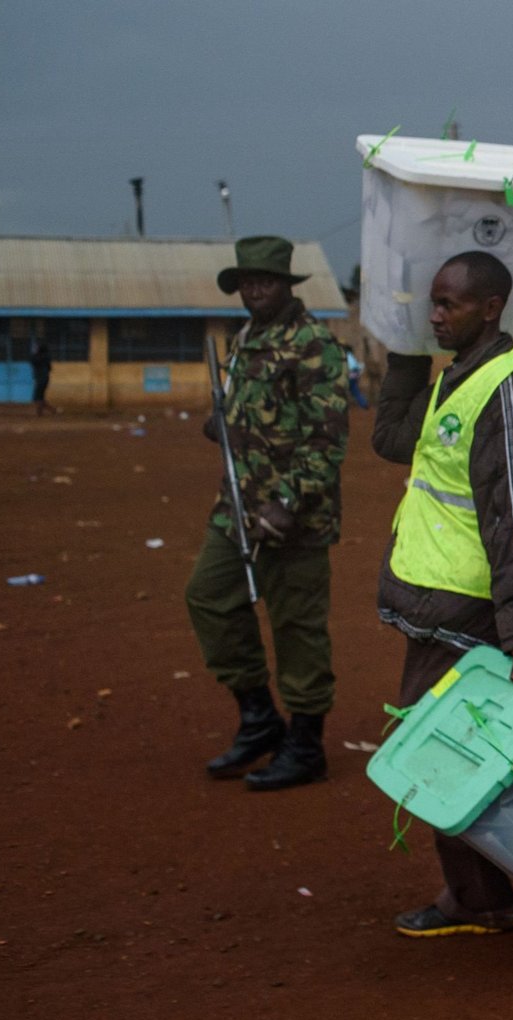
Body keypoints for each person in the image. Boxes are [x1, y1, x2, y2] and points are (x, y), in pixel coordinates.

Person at [374, 250, 513, 938]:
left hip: (466, 611)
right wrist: (404, 357)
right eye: (432, 302)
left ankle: (485, 897)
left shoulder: (506, 391)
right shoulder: (458, 379)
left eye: (448, 304)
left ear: (491, 308)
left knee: (435, 757)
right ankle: (488, 892)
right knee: (448, 752)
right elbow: (393, 439)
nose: (436, 314)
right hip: (429, 603)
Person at [185, 235, 349, 791]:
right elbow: (241, 413)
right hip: (236, 507)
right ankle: (258, 718)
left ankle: (305, 746)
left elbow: (327, 441)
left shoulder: (314, 345)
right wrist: (222, 422)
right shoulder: (245, 339)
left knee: (296, 628)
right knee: (209, 596)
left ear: (285, 284)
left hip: (293, 517)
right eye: (246, 282)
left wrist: (286, 504)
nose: (254, 290)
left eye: (264, 281)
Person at [28, 334, 52, 416]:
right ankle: (50, 410)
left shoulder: (37, 357)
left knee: (37, 397)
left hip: (41, 378)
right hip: (45, 378)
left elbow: (32, 360)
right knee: (40, 396)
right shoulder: (46, 357)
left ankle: (43, 412)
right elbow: (50, 368)